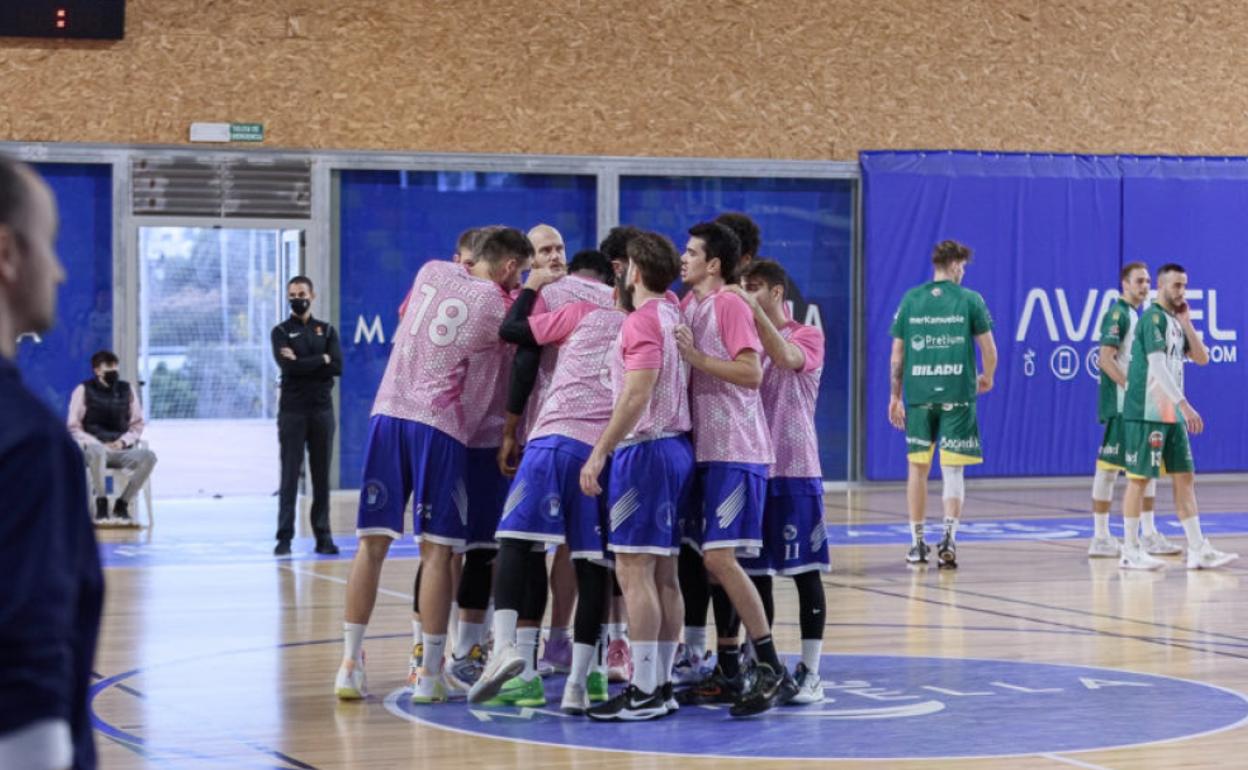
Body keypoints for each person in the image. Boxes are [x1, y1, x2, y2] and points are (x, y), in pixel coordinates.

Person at [335, 227, 532, 703]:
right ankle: (428, 674)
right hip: (439, 425)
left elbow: (409, 314)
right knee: (438, 552)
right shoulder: (498, 304)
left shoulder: (431, 270)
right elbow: (521, 338)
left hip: (387, 414)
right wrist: (535, 288)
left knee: (370, 545)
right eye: (520, 272)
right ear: (508, 269)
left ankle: (348, 665)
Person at [470, 250, 620, 714]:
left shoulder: (567, 304)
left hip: (553, 438)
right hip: (606, 449)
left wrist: (510, 428)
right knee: (592, 562)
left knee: (517, 543)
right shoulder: (649, 321)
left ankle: (507, 653)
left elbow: (520, 347)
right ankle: (584, 680)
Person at [0, 156, 104, 770]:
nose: (60, 270)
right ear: (8, 253)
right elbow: (25, 682)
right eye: (49, 244)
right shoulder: (28, 445)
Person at [576, 231, 693, 721]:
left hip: (644, 451)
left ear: (634, 272)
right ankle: (660, 682)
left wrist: (599, 452)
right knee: (664, 572)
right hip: (675, 449)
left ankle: (644, 688)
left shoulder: (645, 320)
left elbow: (637, 393)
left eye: (622, 269)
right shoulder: (672, 312)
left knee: (633, 570)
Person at [674, 221, 786, 717]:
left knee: (720, 560)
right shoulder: (690, 305)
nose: (683, 258)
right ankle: (726, 667)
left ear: (713, 264)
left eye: (691, 252)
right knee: (709, 565)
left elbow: (751, 371)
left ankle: (770, 664)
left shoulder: (729, 304)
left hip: (738, 449)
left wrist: (696, 358)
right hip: (707, 451)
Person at [731, 259, 829, 705]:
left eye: (754, 288)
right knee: (757, 576)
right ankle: (763, 666)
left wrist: (749, 312)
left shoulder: (805, 334)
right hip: (754, 467)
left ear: (775, 291)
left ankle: (811, 670)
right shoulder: (745, 342)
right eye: (743, 287)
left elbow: (788, 359)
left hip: (796, 469)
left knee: (805, 573)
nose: (747, 293)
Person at [1120, 263, 1237, 571]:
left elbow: (1201, 357)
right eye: (1175, 286)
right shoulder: (1153, 320)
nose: (1180, 291)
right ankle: (1130, 550)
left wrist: (1187, 323)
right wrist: (1185, 405)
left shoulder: (1173, 321)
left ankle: (1197, 548)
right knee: (1140, 479)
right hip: (1147, 411)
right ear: (1160, 287)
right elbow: (1157, 368)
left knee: (1185, 477)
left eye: (1184, 286)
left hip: (1169, 413)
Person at [888, 239, 997, 567]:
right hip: (957, 395)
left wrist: (895, 396)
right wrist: (987, 376)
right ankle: (949, 536)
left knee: (917, 470)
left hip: (919, 396)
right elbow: (989, 351)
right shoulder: (969, 300)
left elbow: (897, 356)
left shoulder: (911, 299)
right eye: (962, 266)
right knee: (952, 470)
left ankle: (917, 543)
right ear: (953, 265)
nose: (963, 272)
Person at [1087, 263, 1179, 563]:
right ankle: (1101, 537)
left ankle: (1148, 533)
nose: (1145, 286)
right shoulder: (1118, 314)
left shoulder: (1136, 315)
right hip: (1123, 405)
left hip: (1135, 407)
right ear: (1125, 284)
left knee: (1144, 467)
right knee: (1110, 469)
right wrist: (1131, 388)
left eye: (1148, 281)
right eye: (1139, 281)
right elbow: (1104, 359)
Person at [271, 276, 343, 556]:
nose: (296, 298)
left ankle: (323, 536)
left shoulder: (326, 331)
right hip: (292, 411)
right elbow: (288, 368)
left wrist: (307, 362)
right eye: (292, 294)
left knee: (321, 476)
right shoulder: (280, 331)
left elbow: (337, 365)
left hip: (322, 411)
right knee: (290, 475)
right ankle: (284, 538)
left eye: (301, 293)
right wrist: (320, 360)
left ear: (312, 295)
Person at [67, 350, 157, 524]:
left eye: (115, 367)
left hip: (121, 450)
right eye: (109, 367)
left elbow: (137, 424)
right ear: (97, 370)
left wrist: (123, 442)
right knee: (96, 450)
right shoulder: (83, 390)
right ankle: (101, 502)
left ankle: (122, 503)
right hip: (93, 452)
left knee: (149, 457)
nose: (114, 371)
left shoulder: (127, 389)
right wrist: (96, 443)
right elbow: (73, 427)